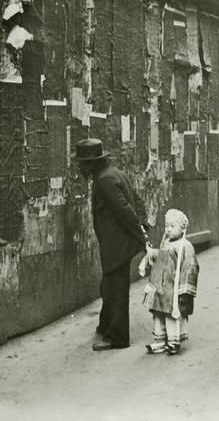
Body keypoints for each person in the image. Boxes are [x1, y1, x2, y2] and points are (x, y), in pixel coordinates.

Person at [76, 138, 149, 351]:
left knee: (115, 288)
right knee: (109, 285)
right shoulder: (116, 173)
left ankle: (118, 337)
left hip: (117, 243)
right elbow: (137, 201)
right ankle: (105, 325)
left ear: (91, 163)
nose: (80, 166)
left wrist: (141, 236)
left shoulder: (104, 180)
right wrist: (142, 225)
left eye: (82, 163)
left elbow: (124, 209)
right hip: (118, 242)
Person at [139, 209, 199, 356]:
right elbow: (161, 256)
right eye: (167, 226)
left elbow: (190, 268)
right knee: (158, 313)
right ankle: (159, 340)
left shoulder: (185, 246)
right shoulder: (166, 242)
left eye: (173, 226)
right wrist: (149, 255)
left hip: (172, 288)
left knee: (172, 314)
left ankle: (173, 341)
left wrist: (185, 290)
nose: (169, 229)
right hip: (159, 286)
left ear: (183, 227)